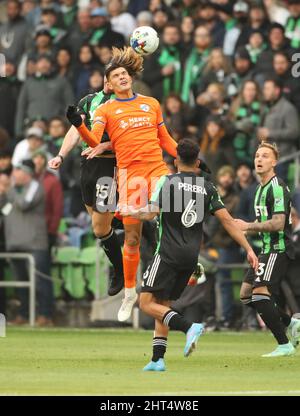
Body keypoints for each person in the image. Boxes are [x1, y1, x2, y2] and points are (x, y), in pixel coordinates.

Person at [122, 139, 258, 371]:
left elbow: (150, 213)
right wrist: (249, 249)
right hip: (191, 256)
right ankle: (157, 359)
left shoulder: (167, 181)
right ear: (197, 162)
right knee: (162, 304)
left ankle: (188, 327)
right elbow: (228, 221)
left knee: (145, 302)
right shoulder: (208, 186)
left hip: (166, 252)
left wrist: (131, 210)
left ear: (175, 161)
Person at [66, 46, 178, 322]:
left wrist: (190, 159)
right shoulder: (106, 109)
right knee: (131, 237)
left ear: (131, 77)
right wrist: (79, 126)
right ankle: (130, 294)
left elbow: (165, 139)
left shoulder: (151, 103)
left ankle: (188, 262)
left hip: (155, 168)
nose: (122, 77)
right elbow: (94, 141)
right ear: (110, 84)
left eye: (124, 73)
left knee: (174, 206)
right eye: (116, 75)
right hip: (129, 176)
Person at [48, 79, 124, 297]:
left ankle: (118, 271)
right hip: (87, 164)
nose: (113, 80)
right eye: (109, 75)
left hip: (110, 164)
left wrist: (106, 145)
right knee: (97, 223)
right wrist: (61, 155)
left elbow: (128, 138)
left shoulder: (126, 103)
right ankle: (134, 222)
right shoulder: (89, 100)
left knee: (100, 229)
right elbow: (75, 130)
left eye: (120, 75)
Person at [235, 142, 300, 357]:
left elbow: (278, 223)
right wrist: (248, 232)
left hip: (278, 248)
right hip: (265, 249)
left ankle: (284, 344)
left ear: (274, 162)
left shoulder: (277, 186)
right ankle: (291, 322)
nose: (259, 159)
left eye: (265, 156)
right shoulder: (259, 189)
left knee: (260, 293)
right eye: (257, 155)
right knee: (246, 295)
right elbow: (262, 220)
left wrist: (248, 226)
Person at [0, 159, 54, 325]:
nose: (14, 175)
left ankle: (46, 315)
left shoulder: (35, 186)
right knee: (21, 283)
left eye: (18, 171)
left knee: (40, 281)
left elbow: (24, 204)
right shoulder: (12, 190)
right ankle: (23, 315)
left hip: (35, 243)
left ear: (27, 173)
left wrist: (8, 189)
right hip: (15, 243)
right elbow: (3, 209)